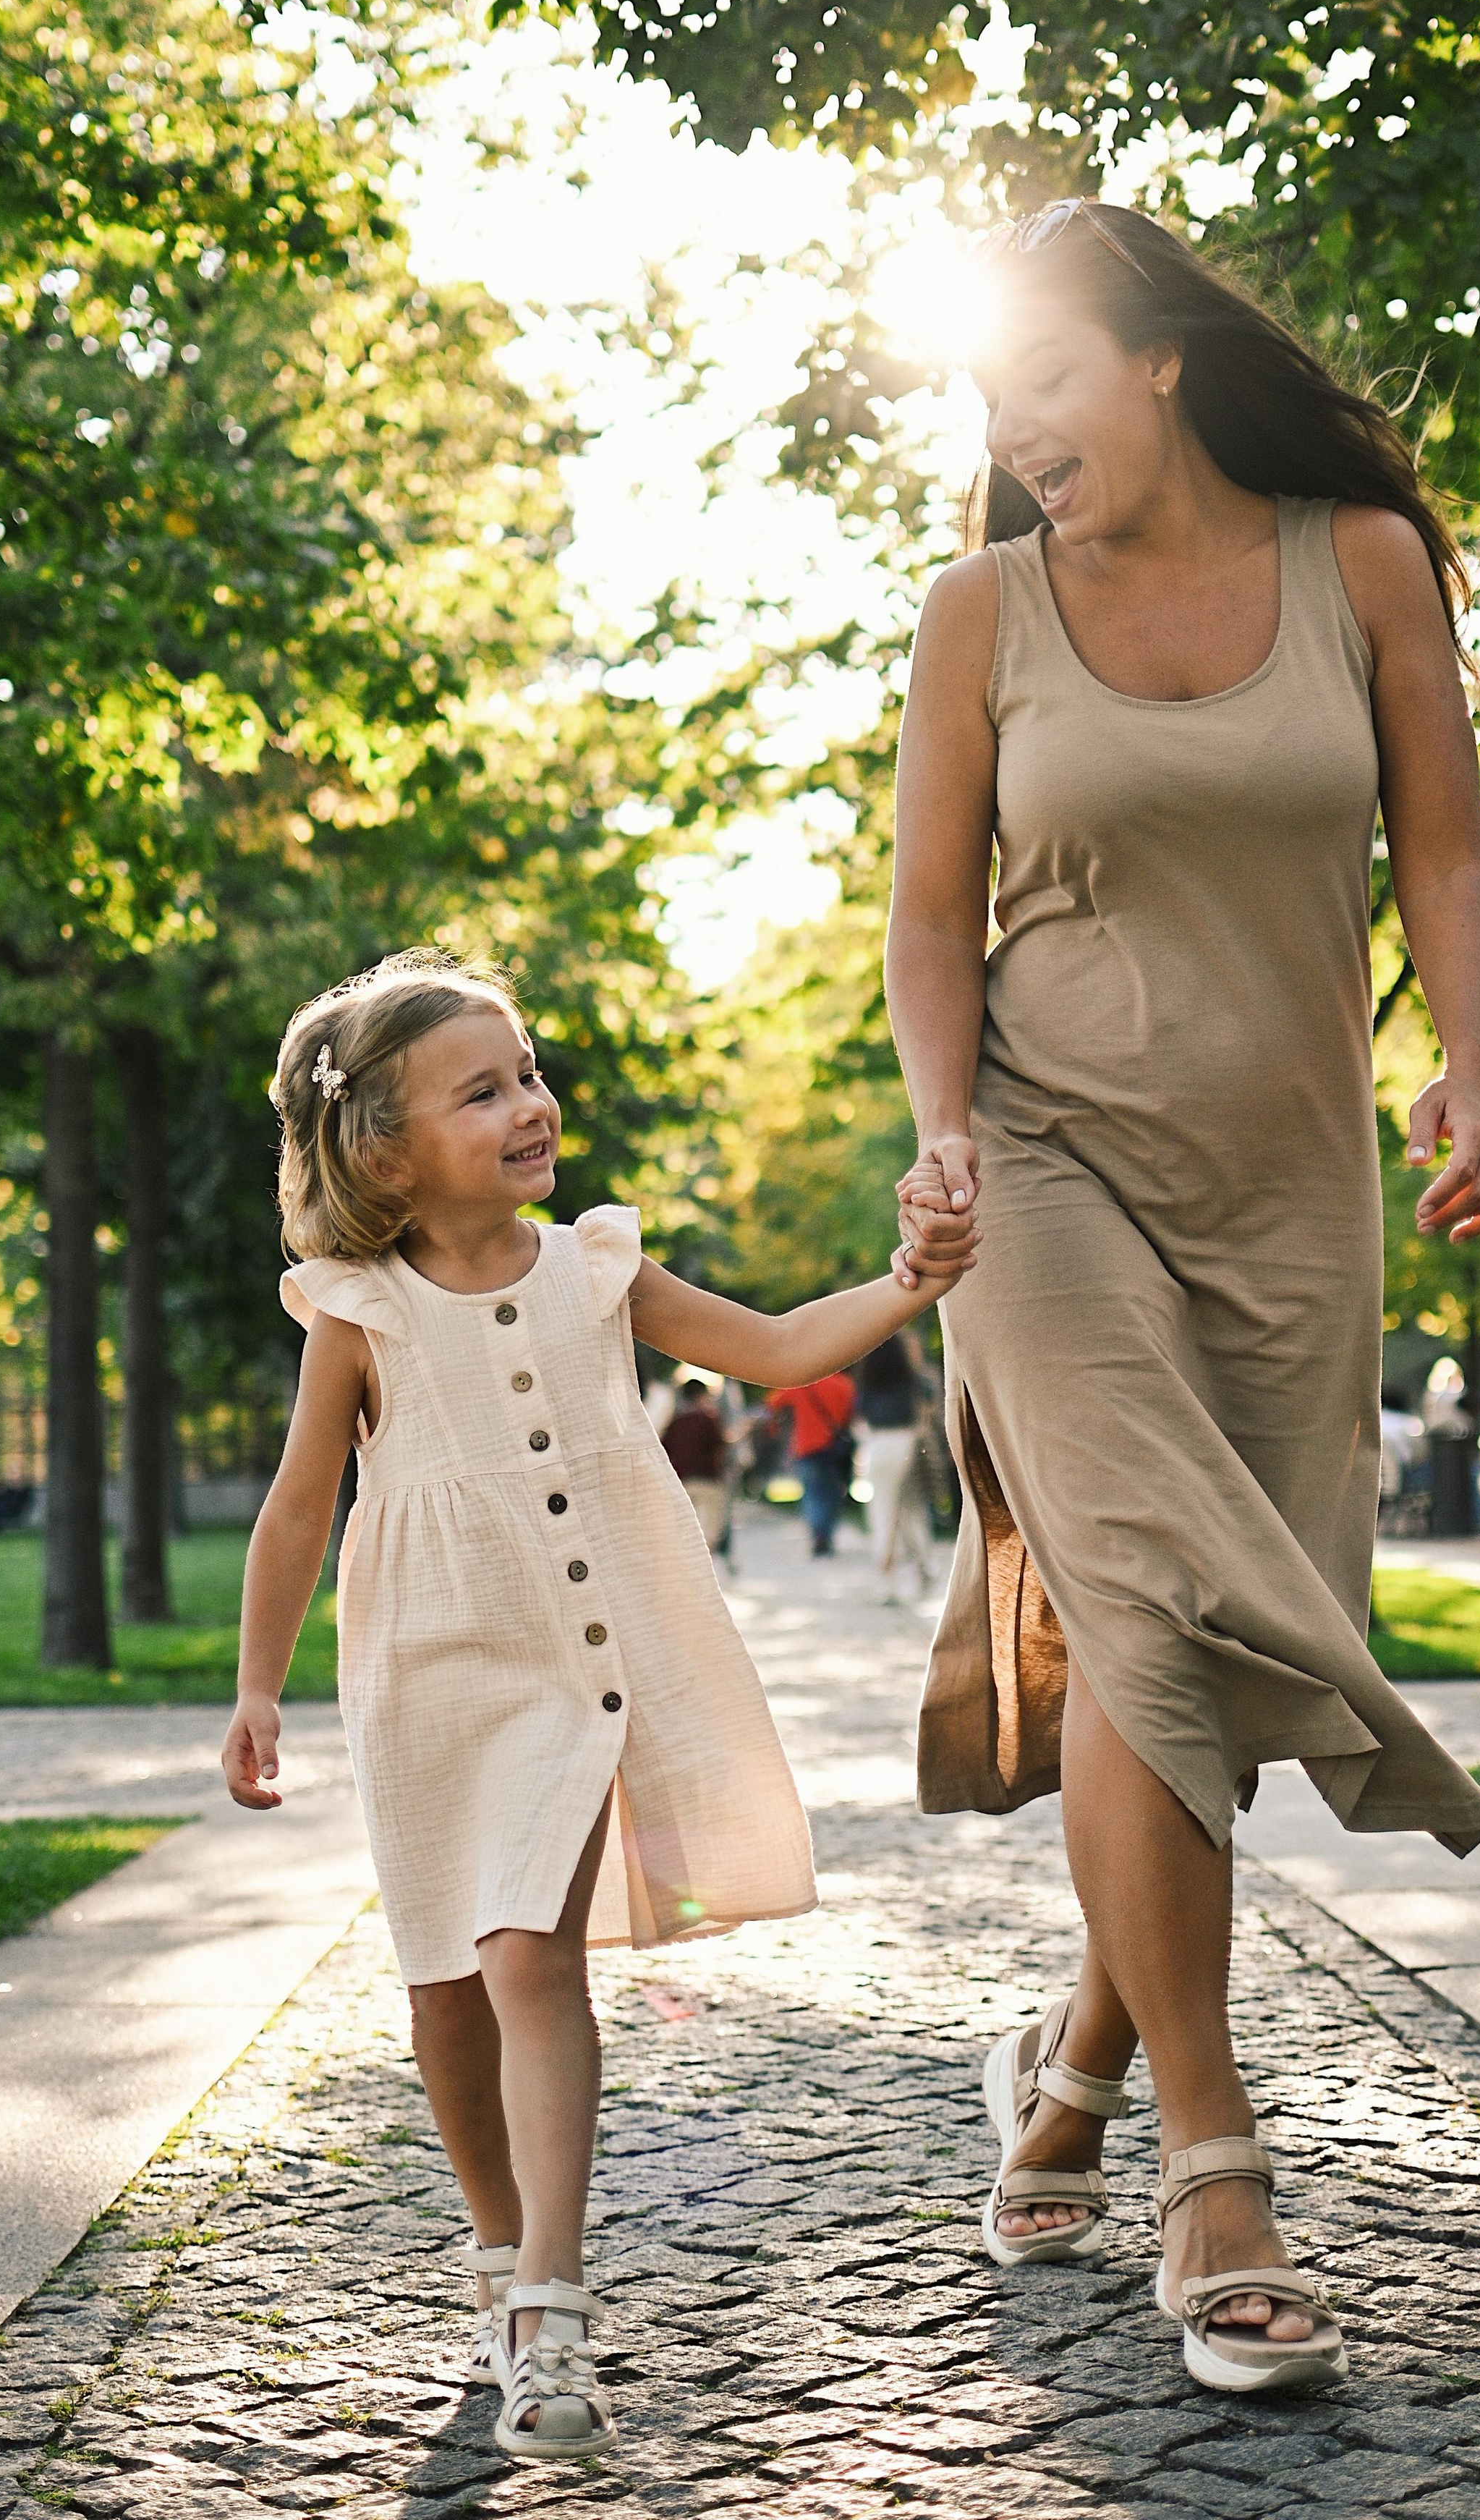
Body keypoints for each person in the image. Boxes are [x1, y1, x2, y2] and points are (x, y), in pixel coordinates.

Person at [887, 197, 1480, 2395]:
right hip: (1042, 1172)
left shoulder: (1358, 565)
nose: (1014, 430)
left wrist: (1467, 1064)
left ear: (1152, 355)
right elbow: (929, 919)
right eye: (987, 402)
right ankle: (1210, 2165)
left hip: (1288, 1196)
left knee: (1211, 1659)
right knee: (1143, 1605)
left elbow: (1439, 841)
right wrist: (947, 1128)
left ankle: (1067, 2064)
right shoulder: (980, 614)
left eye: (1040, 379)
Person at [219, 951, 974, 2462]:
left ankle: (550, 2302)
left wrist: (909, 1284)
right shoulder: (355, 1310)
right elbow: (301, 1508)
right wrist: (256, 1688)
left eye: (530, 1075)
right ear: (385, 1148)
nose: (530, 1106)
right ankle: (498, 2248)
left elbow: (765, 1349)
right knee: (446, 1977)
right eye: (482, 1090)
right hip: (427, 1680)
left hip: (577, 1672)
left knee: (527, 1954)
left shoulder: (597, 1269)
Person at [856, 1331, 935, 1588]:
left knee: (883, 1513)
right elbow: (929, 1401)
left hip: (878, 1445)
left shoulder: (867, 1380)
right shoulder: (911, 1377)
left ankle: (886, 1580)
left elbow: (859, 1416)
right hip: (908, 1443)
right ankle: (924, 1569)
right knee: (913, 1511)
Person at [767, 1367, 856, 1556]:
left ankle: (818, 1534)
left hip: (807, 1448)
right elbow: (853, 1415)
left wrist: (774, 1429)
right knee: (833, 1494)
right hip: (834, 1449)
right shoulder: (845, 1385)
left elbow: (772, 1403)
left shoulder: (802, 1384)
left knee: (813, 1494)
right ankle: (827, 1534)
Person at [660, 1373, 730, 1553]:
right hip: (707, 1480)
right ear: (702, 1396)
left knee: (686, 1531)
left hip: (681, 1482)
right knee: (709, 1532)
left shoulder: (674, 1423)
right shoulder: (708, 1420)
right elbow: (720, 1445)